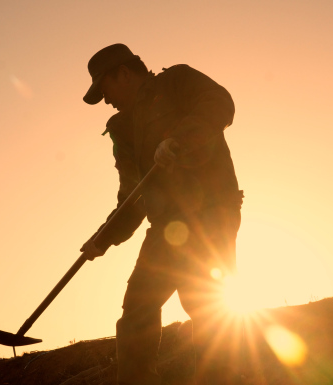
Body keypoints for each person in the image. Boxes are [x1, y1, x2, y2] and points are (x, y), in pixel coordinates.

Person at [80, 43, 244, 385]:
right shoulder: (122, 130)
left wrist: (179, 139)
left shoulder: (178, 82)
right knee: (137, 309)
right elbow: (132, 196)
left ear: (124, 73)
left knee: (205, 302)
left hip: (211, 212)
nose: (106, 100)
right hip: (166, 226)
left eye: (105, 89)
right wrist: (104, 237)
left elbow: (220, 104)